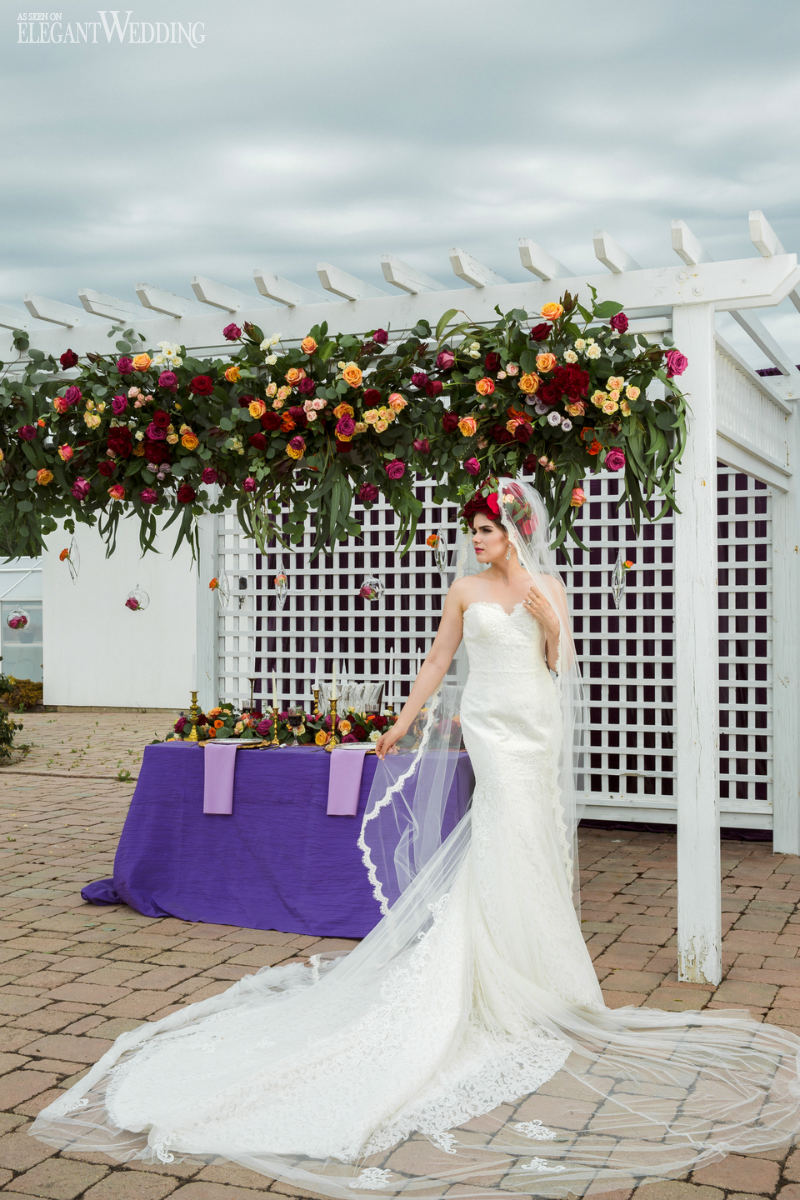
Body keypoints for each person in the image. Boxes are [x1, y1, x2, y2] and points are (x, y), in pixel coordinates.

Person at [31, 476, 800, 1199]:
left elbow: (558, 662)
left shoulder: (543, 587)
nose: (477, 543)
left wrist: (547, 617)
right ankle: (491, 972)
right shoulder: (463, 590)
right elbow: (440, 659)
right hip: (492, 730)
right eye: (473, 532)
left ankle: (541, 970)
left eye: (487, 532)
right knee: (502, 829)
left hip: (536, 723)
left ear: (515, 531)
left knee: (536, 839)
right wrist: (401, 722)